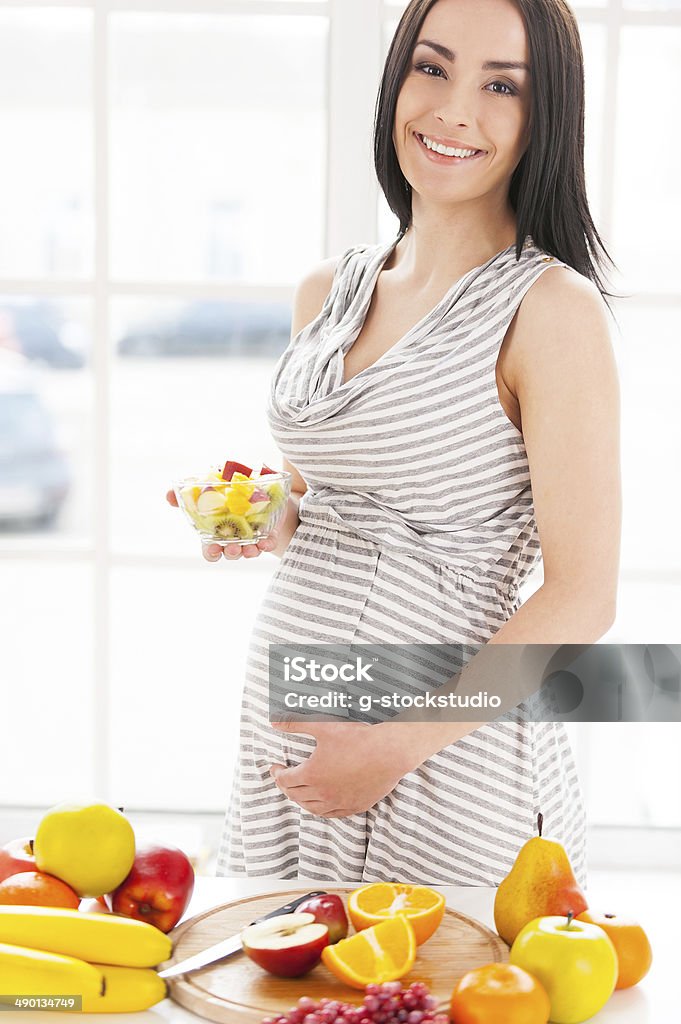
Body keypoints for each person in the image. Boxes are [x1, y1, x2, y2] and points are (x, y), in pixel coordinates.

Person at [168, 0, 621, 884]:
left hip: (447, 760)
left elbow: (582, 597)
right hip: (294, 723)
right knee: (284, 996)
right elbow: (338, 514)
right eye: (431, 66)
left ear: (545, 116)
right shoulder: (327, 291)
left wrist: (393, 748)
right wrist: (267, 516)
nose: (454, 109)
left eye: (501, 85)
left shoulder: (549, 313)